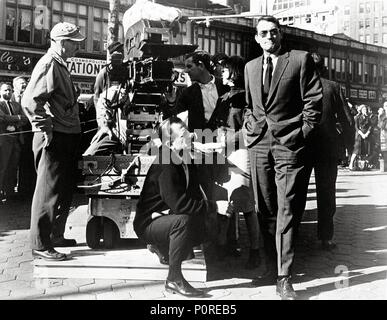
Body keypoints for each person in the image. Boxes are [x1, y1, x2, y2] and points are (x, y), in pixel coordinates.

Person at [243, 16, 322, 300]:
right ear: (256, 38)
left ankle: (284, 276)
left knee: (287, 208)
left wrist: (303, 132)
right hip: (259, 144)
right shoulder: (250, 67)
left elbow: (314, 100)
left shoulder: (299, 60)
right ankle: (269, 267)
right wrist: (250, 131)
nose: (269, 37)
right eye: (263, 33)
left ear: (281, 35)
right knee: (263, 208)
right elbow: (251, 106)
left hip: (290, 144)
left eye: (274, 32)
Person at [133, 117, 229, 297]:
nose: (191, 134)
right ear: (171, 141)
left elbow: (193, 192)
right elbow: (180, 204)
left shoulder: (182, 157)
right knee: (183, 222)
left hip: (164, 215)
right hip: (147, 223)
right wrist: (214, 207)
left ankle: (162, 246)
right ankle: (173, 279)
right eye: (184, 133)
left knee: (201, 226)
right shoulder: (166, 163)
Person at [21, 22, 86, 261]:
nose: (78, 47)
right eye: (75, 42)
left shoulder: (60, 65)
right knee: (47, 191)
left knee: (63, 189)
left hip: (65, 134)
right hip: (54, 136)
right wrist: (44, 128)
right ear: (61, 42)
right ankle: (40, 243)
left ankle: (55, 235)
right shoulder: (49, 64)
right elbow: (30, 101)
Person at [208, 55, 261, 269]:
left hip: (241, 153)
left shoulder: (245, 97)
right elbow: (214, 124)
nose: (223, 73)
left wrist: (225, 137)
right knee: (228, 202)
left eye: (226, 69)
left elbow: (251, 129)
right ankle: (226, 246)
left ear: (235, 71)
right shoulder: (225, 96)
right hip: (226, 153)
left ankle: (254, 251)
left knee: (245, 204)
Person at [303, 53, 353, 250]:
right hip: (328, 149)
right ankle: (326, 237)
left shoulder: (296, 86)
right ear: (323, 67)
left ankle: (292, 235)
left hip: (301, 146)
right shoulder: (333, 87)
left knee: (297, 192)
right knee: (326, 193)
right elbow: (348, 120)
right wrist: (347, 148)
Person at [0, 83, 29, 203]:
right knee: (2, 167)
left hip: (16, 140)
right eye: (6, 90)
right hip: (4, 140)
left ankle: (10, 193)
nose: (8, 92)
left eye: (10, 90)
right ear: (0, 91)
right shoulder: (0, 104)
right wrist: (17, 118)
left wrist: (14, 122)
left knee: (13, 168)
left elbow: (25, 119)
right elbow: (2, 118)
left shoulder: (17, 105)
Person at [11, 76, 36, 196]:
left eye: (25, 83)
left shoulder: (29, 97)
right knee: (10, 164)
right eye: (21, 83)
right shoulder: (10, 99)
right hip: (11, 136)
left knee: (26, 162)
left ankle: (24, 189)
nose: (24, 85)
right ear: (14, 85)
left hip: (26, 134)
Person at [93, 41, 124, 110]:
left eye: (122, 51)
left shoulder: (126, 70)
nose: (121, 54)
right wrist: (100, 113)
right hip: (108, 110)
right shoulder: (104, 72)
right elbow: (96, 95)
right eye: (118, 52)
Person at [349, 104, 372, 170]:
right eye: (364, 109)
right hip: (359, 134)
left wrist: (367, 133)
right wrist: (362, 134)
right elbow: (356, 127)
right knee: (356, 150)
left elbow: (370, 126)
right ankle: (351, 164)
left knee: (364, 149)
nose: (365, 110)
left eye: (366, 109)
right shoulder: (357, 117)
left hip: (366, 134)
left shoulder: (368, 117)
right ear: (361, 110)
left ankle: (362, 166)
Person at [378, 102, 387, 169]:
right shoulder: (381, 116)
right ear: (384, 107)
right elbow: (380, 125)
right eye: (386, 106)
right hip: (384, 134)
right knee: (385, 150)